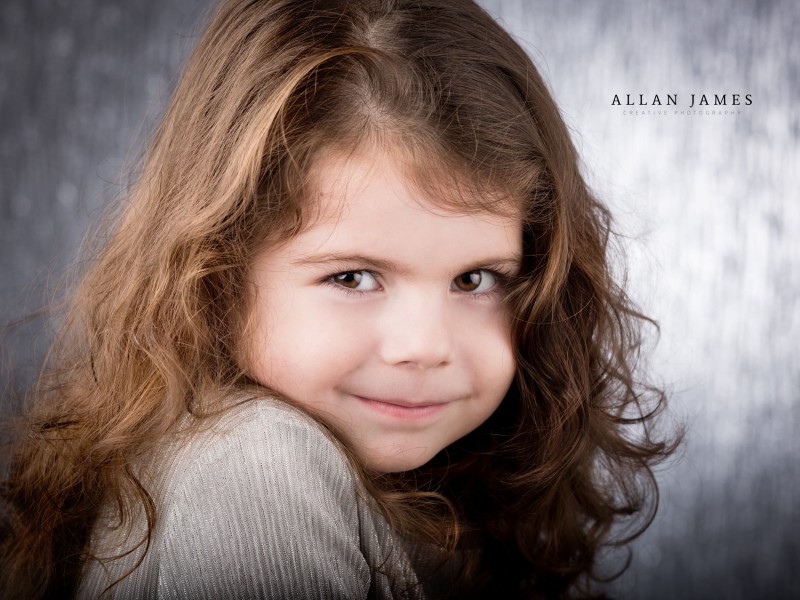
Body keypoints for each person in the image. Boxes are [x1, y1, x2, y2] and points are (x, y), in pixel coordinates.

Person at [0, 0, 679, 598]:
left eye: (476, 279)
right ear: (215, 274)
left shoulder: (437, 497)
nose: (424, 346)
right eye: (352, 277)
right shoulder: (255, 467)